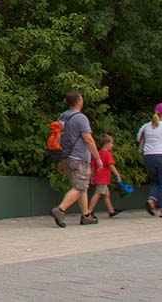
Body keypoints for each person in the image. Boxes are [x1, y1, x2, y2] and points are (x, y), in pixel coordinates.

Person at [50, 90, 103, 227]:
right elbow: (88, 139)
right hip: (79, 157)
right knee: (80, 187)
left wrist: (61, 160)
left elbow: (62, 138)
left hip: (66, 156)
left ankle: (86, 215)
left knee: (81, 186)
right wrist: (97, 158)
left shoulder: (62, 117)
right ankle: (60, 209)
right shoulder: (80, 118)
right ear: (79, 101)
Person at [87, 134, 124, 219]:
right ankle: (89, 211)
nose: (112, 145)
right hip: (103, 178)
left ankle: (111, 210)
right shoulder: (107, 154)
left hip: (99, 177)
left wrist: (92, 176)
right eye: (111, 143)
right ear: (107, 144)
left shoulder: (98, 153)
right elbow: (111, 165)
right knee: (98, 194)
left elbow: (93, 166)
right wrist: (118, 175)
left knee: (106, 194)